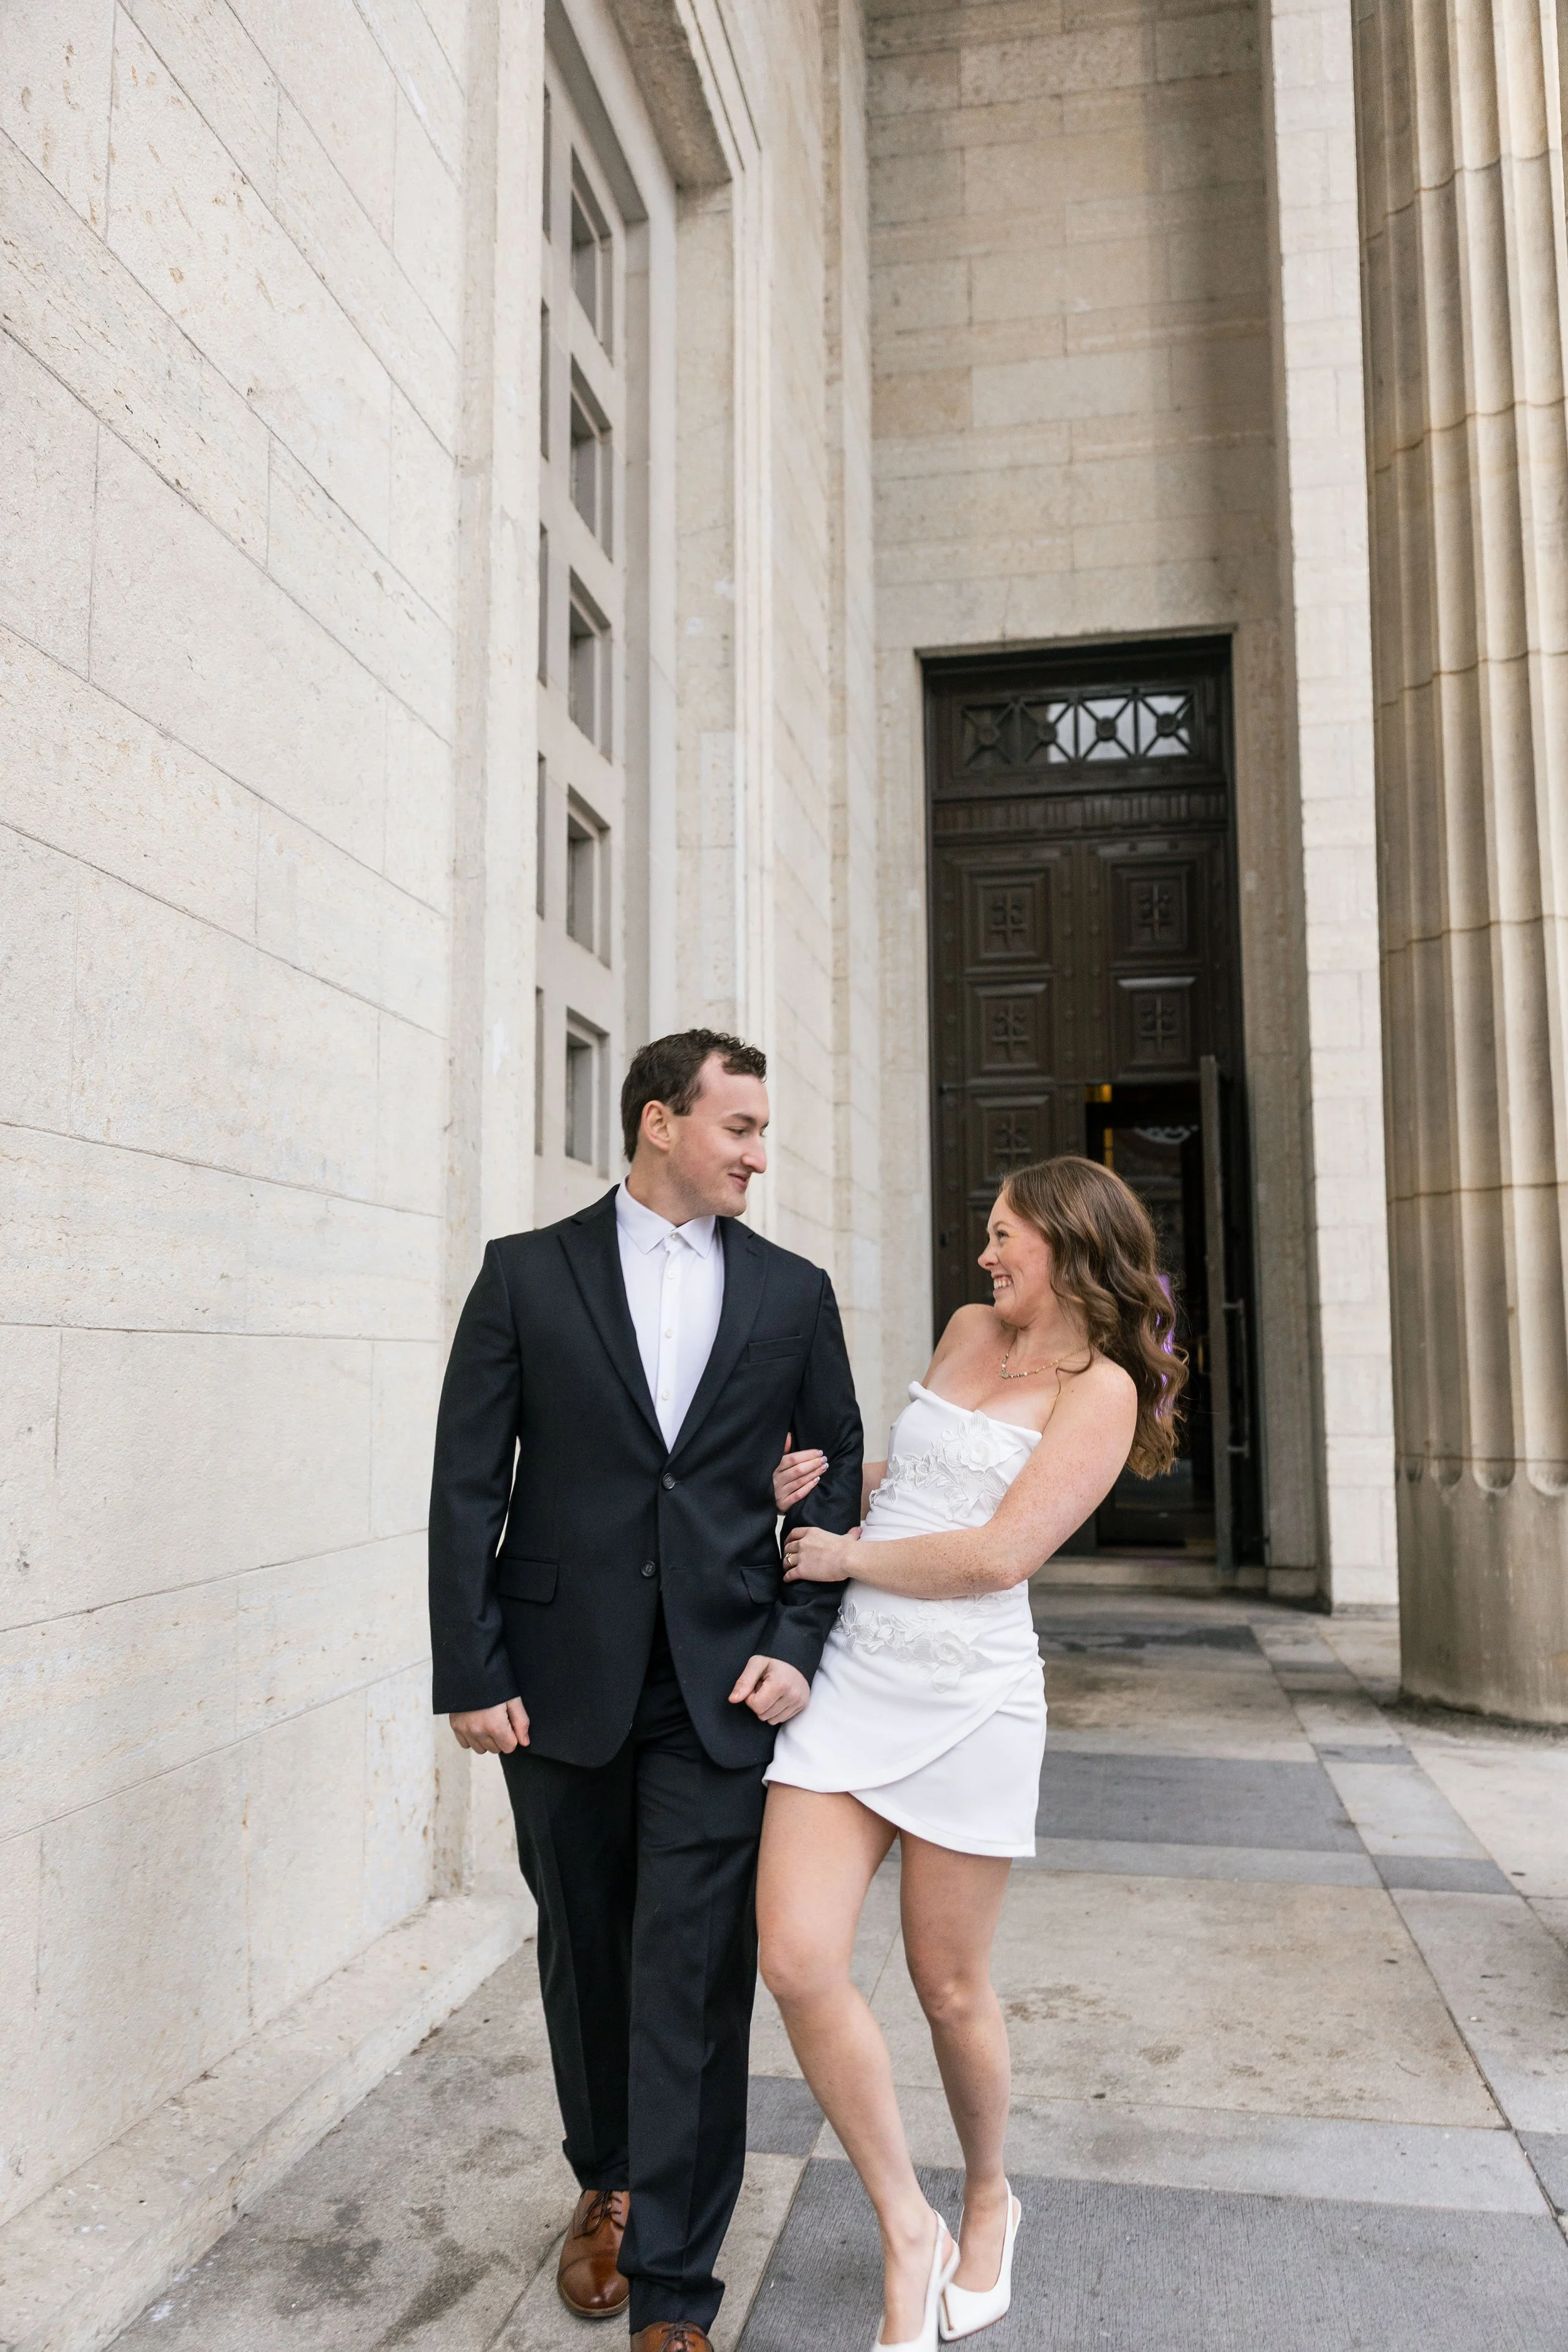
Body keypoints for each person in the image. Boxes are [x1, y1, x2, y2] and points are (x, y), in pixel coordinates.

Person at [428, 1030, 862, 2352]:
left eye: (762, 1129)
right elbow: (465, 1482)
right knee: (581, 1945)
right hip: (555, 1682)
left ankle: (673, 2290)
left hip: (721, 1680)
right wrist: (471, 1665)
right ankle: (604, 2181)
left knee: (692, 1968)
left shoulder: (791, 1292)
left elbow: (834, 1462)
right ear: (657, 1123)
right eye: (736, 1126)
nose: (756, 1152)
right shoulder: (524, 1274)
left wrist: (798, 1637)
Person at [759, 1157, 1182, 2352]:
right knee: (794, 1958)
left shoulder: (1099, 1388)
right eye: (988, 1234)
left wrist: (841, 1555)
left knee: (948, 1987)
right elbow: (925, 1479)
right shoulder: (963, 1327)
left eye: (1005, 1236)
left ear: (1066, 1242)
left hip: (970, 1701)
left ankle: (990, 2193)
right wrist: (833, 1484)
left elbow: (1001, 1553)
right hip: (853, 1685)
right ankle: (909, 2223)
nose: (986, 1255)